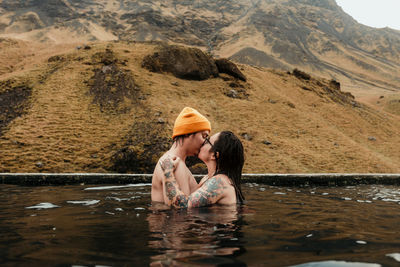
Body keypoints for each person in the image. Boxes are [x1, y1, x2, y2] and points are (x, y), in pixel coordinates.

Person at [160, 131, 245, 208]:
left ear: (214, 155)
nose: (203, 143)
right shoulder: (207, 178)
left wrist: (168, 172)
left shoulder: (219, 182)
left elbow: (183, 206)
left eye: (207, 141)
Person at [151, 107, 211, 204]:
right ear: (188, 134)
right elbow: (179, 212)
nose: (205, 143)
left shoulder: (172, 161)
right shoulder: (175, 163)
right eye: (204, 136)